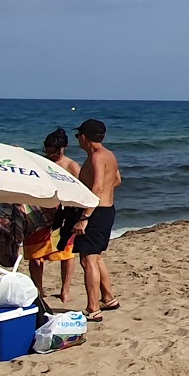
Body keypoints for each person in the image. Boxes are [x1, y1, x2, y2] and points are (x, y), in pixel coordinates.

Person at [74, 119, 121, 321]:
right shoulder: (109, 155)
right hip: (107, 209)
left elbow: (98, 187)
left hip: (96, 212)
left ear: (84, 137)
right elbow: (117, 180)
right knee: (96, 256)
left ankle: (93, 308)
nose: (78, 139)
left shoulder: (96, 157)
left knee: (88, 260)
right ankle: (108, 297)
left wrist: (85, 216)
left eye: (78, 136)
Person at [28, 129, 83, 302]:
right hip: (40, 213)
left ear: (63, 148)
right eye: (47, 151)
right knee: (35, 254)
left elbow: (82, 191)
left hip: (64, 214)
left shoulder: (71, 166)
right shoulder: (42, 163)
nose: (50, 155)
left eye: (53, 151)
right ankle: (39, 290)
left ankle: (65, 290)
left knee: (65, 253)